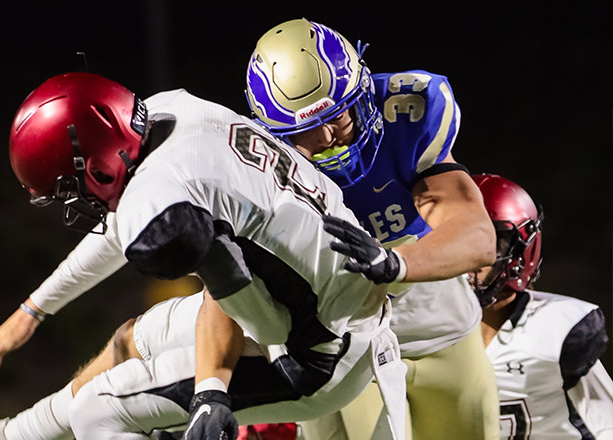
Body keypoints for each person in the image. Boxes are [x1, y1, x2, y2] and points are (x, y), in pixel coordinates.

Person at [0, 71, 408, 440]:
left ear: (96, 169)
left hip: (320, 351)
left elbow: (252, 310)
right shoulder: (171, 110)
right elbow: (144, 227)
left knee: (99, 412)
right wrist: (30, 313)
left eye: (73, 191)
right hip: (312, 298)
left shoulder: (163, 201)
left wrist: (212, 390)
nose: (79, 204)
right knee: (129, 342)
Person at [244, 18, 499, 439]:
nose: (327, 137)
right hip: (342, 343)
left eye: (337, 116)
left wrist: (395, 262)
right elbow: (228, 281)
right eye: (305, 130)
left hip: (439, 325)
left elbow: (477, 236)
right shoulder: (254, 166)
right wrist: (209, 387)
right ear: (273, 134)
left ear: (362, 91)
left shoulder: (408, 116)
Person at [471, 173, 613, 439]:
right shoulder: (412, 326)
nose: (467, 259)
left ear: (518, 253)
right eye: (454, 242)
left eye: (486, 244)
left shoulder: (558, 330)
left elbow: (605, 423)